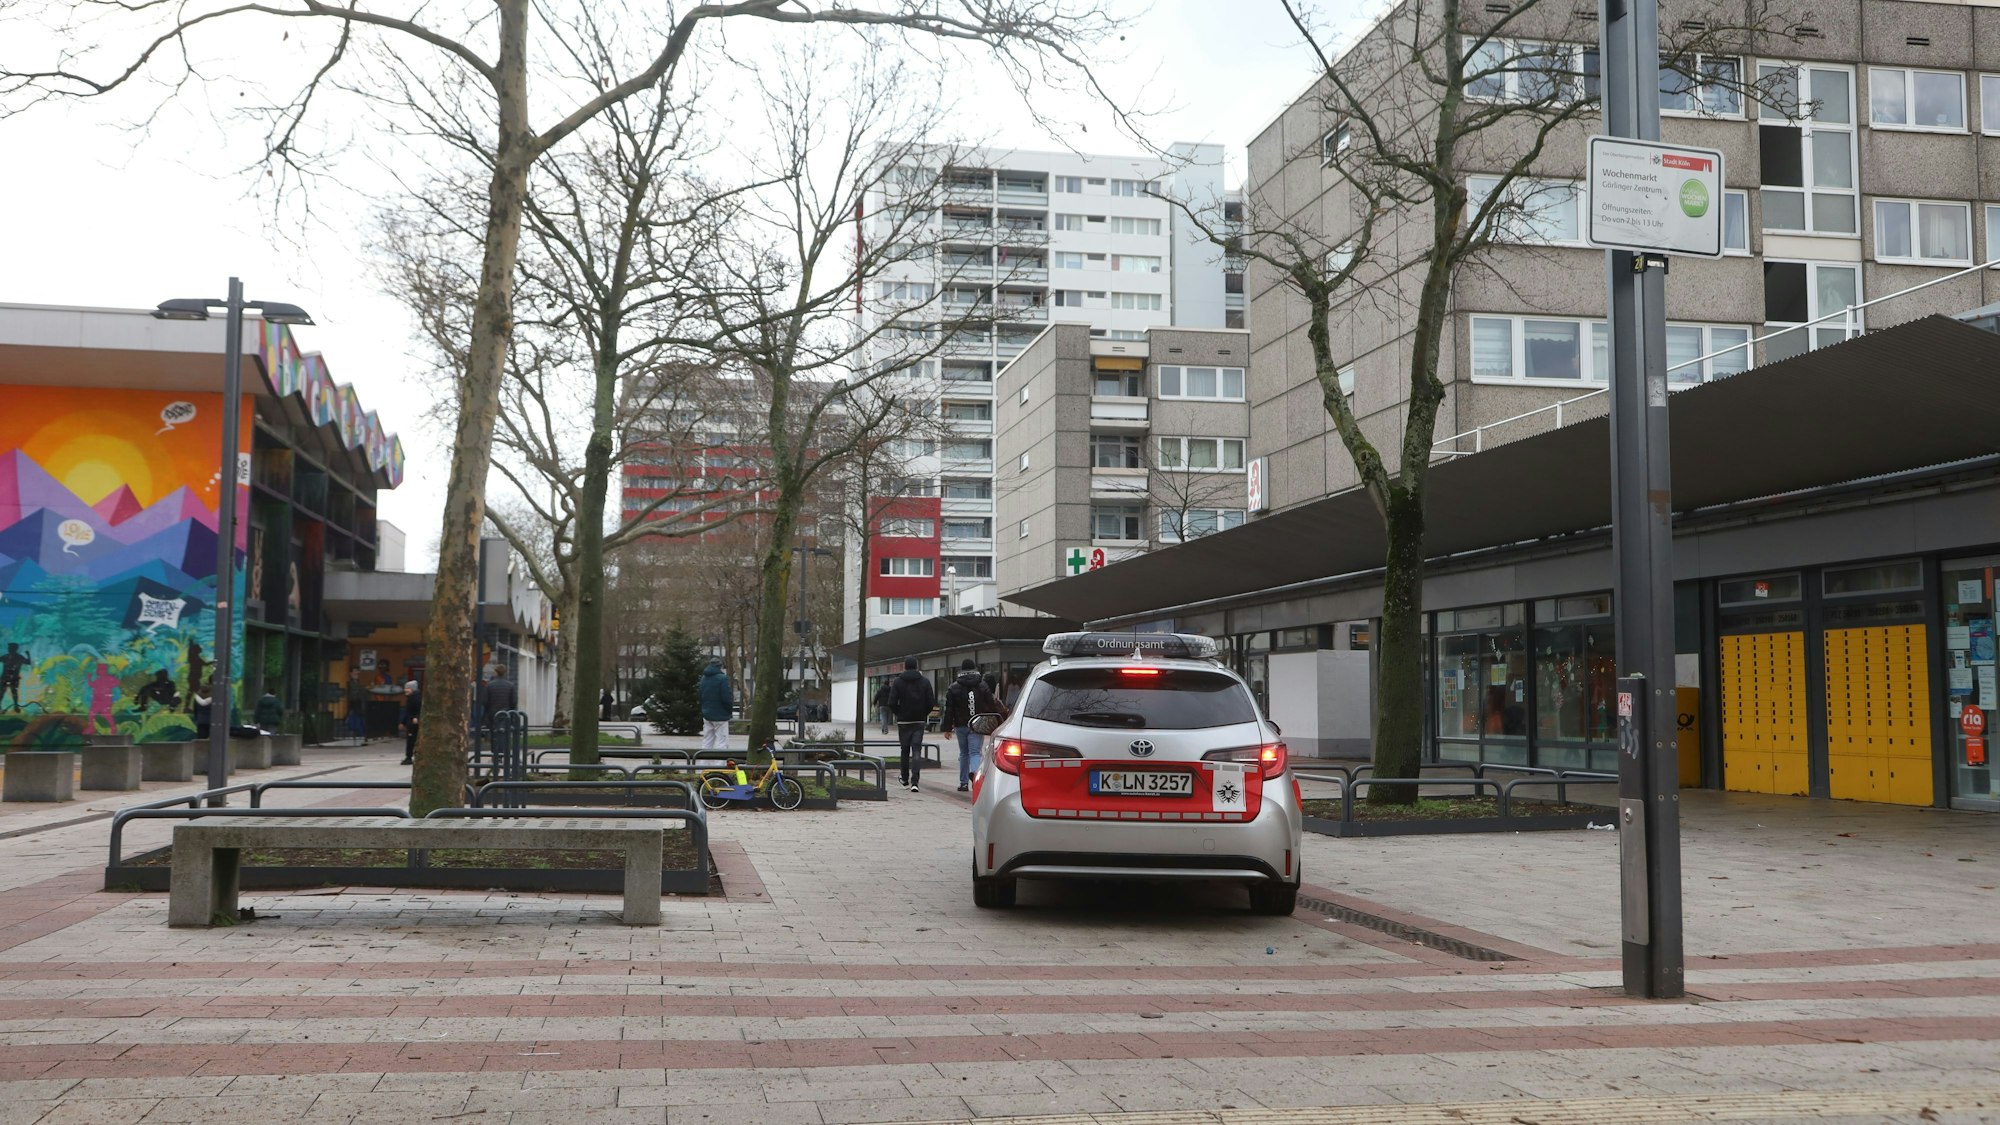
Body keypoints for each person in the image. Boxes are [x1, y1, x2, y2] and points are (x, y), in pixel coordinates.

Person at [940, 658, 1002, 793]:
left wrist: (947, 728)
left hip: (960, 725)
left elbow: (949, 709)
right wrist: (994, 721)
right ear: (974, 668)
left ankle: (963, 783)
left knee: (964, 753)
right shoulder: (982, 685)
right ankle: (975, 778)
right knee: (975, 753)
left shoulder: (954, 687)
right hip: (977, 724)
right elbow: (991, 705)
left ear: (962, 670)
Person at [887, 658, 935, 792]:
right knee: (917, 750)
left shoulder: (898, 682)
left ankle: (904, 778)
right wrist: (923, 713)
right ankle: (915, 782)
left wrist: (899, 713)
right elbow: (931, 702)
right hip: (918, 721)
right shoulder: (925, 682)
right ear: (916, 666)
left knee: (904, 750)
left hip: (904, 721)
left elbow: (891, 702)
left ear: (905, 666)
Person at [697, 661, 733, 752]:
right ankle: (720, 761)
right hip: (721, 714)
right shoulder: (722, 679)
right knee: (722, 742)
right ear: (720, 667)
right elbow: (726, 698)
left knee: (707, 741)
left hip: (707, 714)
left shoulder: (704, 678)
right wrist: (729, 711)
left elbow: (700, 695)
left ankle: (704, 760)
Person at [0, 643, 29, 712]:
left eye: (10, 648)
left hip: (12, 678)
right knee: (3, 692)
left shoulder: (18, 657)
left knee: (13, 692)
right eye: (9, 648)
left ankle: (16, 706)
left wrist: (28, 655)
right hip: (6, 678)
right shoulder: (7, 657)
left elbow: (28, 662)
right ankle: (15, 706)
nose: (9, 649)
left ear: (14, 649)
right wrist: (28, 654)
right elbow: (28, 662)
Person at [398, 680, 421, 765]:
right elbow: (408, 712)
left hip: (413, 723)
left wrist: (417, 718)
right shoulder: (411, 698)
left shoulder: (416, 699)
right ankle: (410, 756)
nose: (405, 690)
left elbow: (419, 710)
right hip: (411, 722)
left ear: (412, 689)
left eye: (407, 688)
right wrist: (403, 722)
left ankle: (409, 757)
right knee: (411, 740)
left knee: (412, 740)